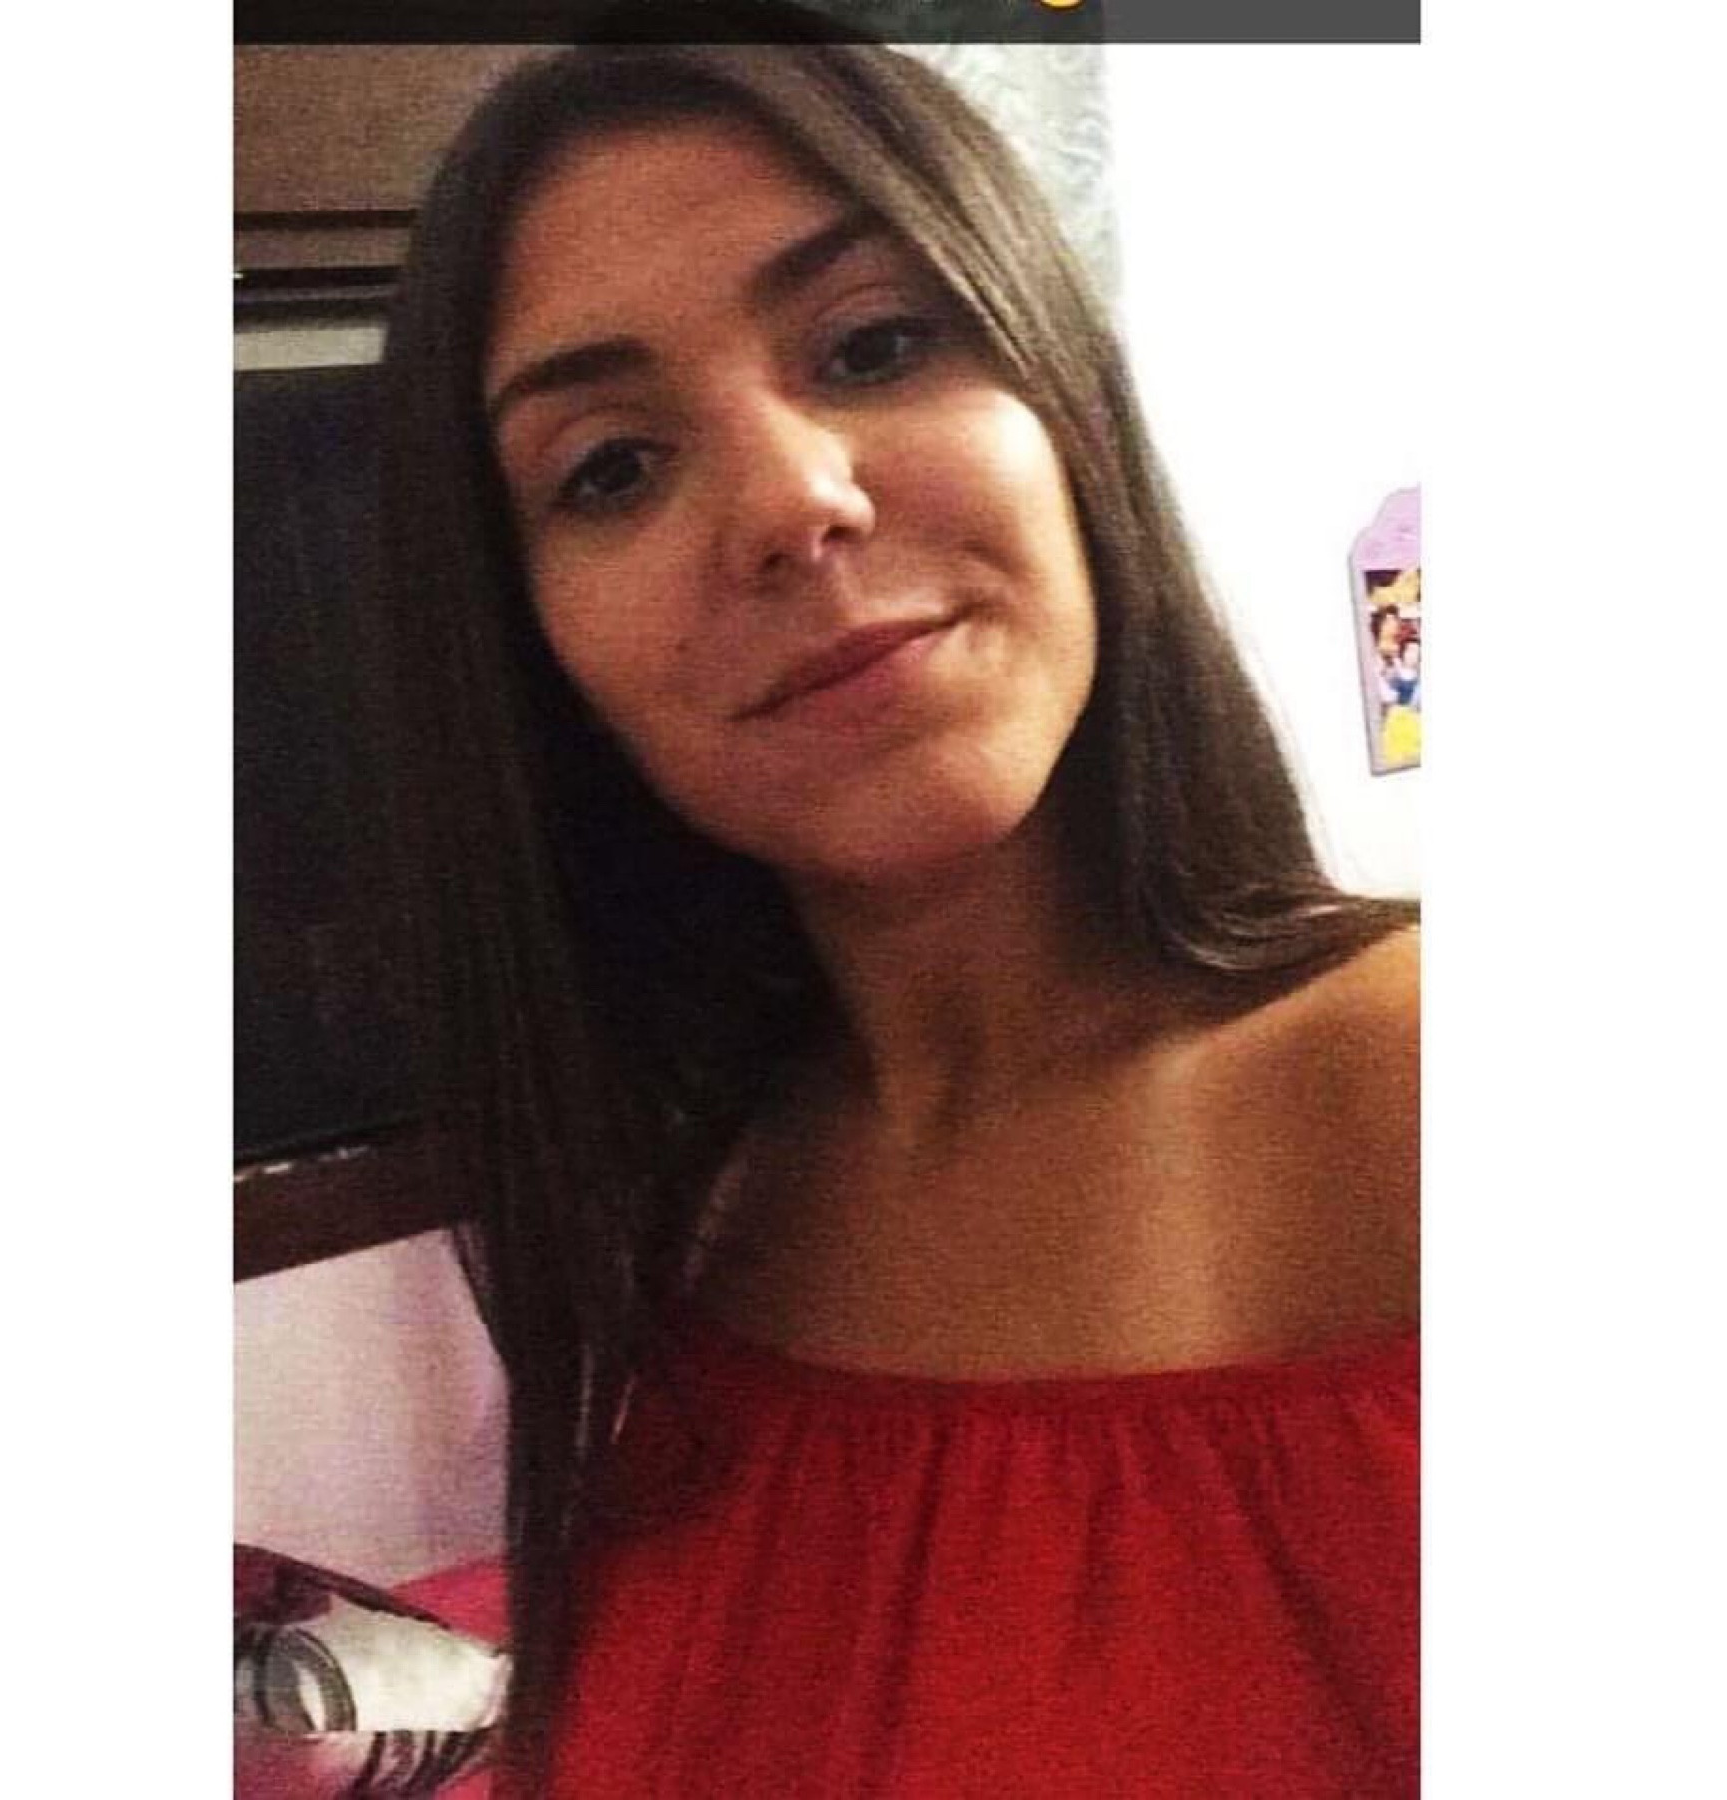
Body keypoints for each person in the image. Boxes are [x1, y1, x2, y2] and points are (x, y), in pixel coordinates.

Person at [374, 24, 1419, 1797]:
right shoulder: (697, 1210)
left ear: (1061, 399)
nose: (794, 501)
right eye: (612, 467)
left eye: (873, 344)